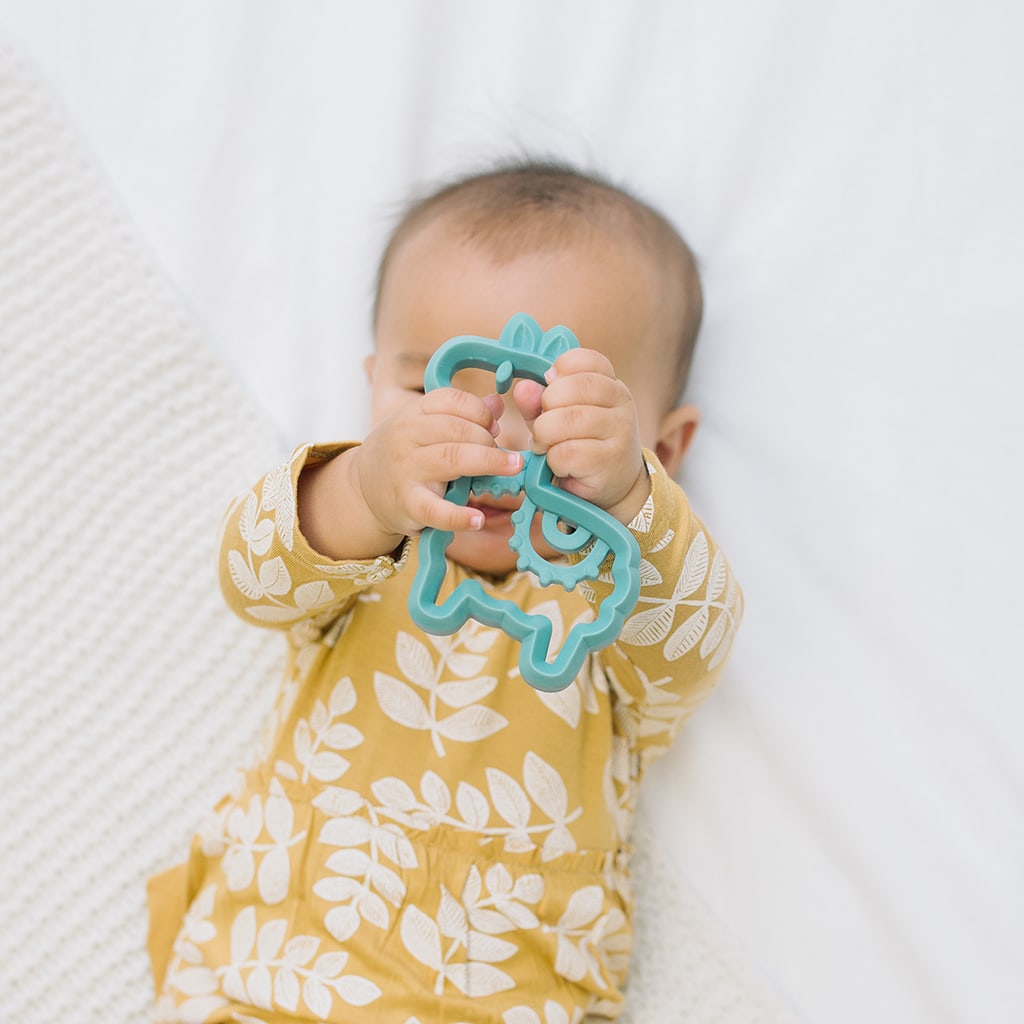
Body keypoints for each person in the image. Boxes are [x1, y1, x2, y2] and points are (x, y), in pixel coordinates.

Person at [147, 159, 743, 1023]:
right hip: (268, 978)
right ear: (372, 386)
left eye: (558, 414)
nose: (494, 441)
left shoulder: (603, 616)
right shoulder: (365, 567)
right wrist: (359, 492)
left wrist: (631, 504)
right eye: (432, 388)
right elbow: (251, 578)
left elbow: (698, 638)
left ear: (665, 449)